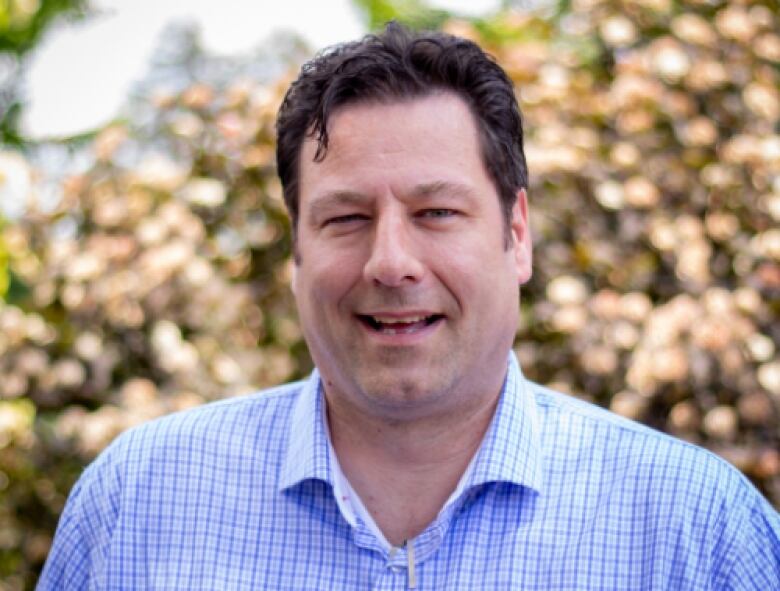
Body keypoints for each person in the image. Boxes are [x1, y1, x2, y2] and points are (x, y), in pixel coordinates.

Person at [39, 22, 778, 590]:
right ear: (296, 251)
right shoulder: (136, 505)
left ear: (516, 234)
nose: (391, 262)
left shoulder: (694, 530)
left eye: (436, 212)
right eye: (346, 218)